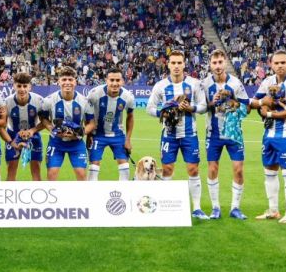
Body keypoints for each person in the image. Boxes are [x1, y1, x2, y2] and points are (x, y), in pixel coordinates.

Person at [146, 50, 208, 219]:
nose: (176, 66)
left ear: (184, 64)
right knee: (167, 168)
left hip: (189, 134)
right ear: (168, 64)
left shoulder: (195, 84)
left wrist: (190, 108)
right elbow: (149, 108)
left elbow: (203, 106)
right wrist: (164, 112)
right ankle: (166, 207)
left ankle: (196, 207)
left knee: (193, 168)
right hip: (169, 135)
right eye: (173, 63)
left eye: (179, 63)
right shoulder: (160, 86)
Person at [249, 50, 286, 224]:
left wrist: (268, 113)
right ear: (271, 65)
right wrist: (263, 105)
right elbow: (253, 103)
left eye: (283, 63)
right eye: (276, 63)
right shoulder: (267, 82)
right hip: (269, 135)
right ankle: (273, 210)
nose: (279, 66)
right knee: (269, 173)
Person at [201, 50, 249, 220]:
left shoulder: (236, 84)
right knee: (213, 169)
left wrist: (230, 104)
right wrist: (212, 103)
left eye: (220, 62)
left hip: (233, 134)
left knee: (238, 169)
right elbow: (201, 109)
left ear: (225, 63)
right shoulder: (205, 84)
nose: (218, 66)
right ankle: (215, 207)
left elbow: (247, 108)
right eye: (214, 63)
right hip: (213, 134)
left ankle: (235, 208)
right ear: (210, 65)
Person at [40, 66, 94, 181]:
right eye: (64, 80)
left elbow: (92, 123)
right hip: (56, 142)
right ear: (59, 81)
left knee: (81, 174)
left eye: (70, 79)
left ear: (76, 81)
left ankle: (83, 199)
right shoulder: (49, 100)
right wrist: (52, 129)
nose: (67, 83)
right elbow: (43, 118)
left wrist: (81, 132)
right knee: (52, 174)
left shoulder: (84, 101)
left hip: (76, 143)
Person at [85, 66, 135, 181]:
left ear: (122, 81)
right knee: (93, 167)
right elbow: (86, 114)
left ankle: (123, 195)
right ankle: (92, 196)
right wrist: (89, 134)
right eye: (111, 80)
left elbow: (130, 117)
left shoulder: (128, 97)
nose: (114, 83)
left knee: (125, 167)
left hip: (117, 134)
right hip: (98, 134)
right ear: (106, 80)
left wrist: (127, 139)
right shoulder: (94, 94)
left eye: (118, 80)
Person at [0, 72, 45, 181]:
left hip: (34, 137)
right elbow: (1, 128)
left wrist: (33, 130)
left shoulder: (39, 100)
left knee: (36, 172)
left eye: (25, 86)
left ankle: (38, 197)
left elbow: (45, 122)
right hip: (13, 136)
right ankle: (10, 196)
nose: (22, 89)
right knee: (11, 170)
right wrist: (11, 142)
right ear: (13, 86)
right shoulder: (6, 103)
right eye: (19, 86)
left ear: (30, 87)